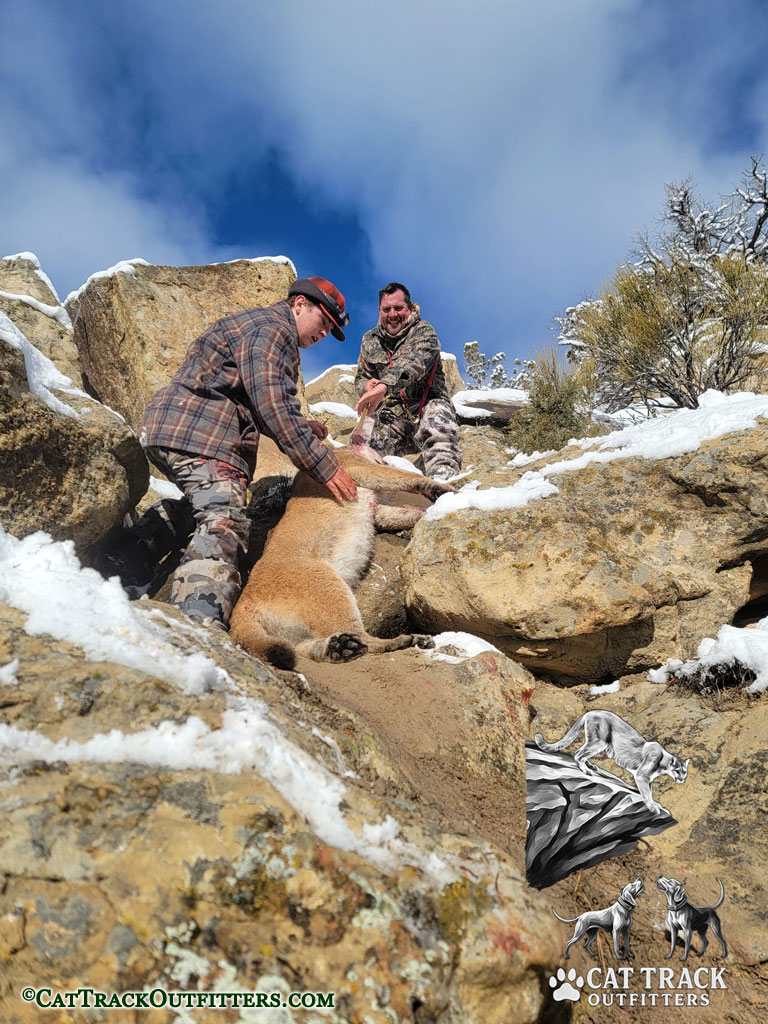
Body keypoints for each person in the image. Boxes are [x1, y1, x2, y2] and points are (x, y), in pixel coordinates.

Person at [100, 276, 357, 631]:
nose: (325, 332)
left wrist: (300, 426)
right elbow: (272, 401)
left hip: (174, 427)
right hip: (202, 435)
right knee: (225, 518)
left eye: (331, 328)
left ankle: (119, 561)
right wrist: (325, 466)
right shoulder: (273, 330)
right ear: (300, 305)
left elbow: (248, 395)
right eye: (324, 321)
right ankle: (199, 625)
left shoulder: (256, 326)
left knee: (196, 507)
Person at [353, 283, 461, 480]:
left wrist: (384, 386)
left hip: (427, 407)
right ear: (379, 311)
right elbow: (362, 376)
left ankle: (444, 484)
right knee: (361, 441)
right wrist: (366, 387)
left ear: (410, 308)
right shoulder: (370, 340)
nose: (392, 314)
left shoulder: (424, 331)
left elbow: (412, 363)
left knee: (436, 417)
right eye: (386, 309)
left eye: (398, 308)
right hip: (393, 418)